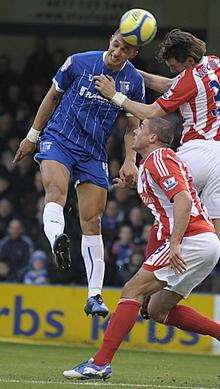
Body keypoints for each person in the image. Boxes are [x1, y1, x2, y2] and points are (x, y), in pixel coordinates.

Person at [63, 118, 220, 381]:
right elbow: (169, 198)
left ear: (152, 138)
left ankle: (100, 363)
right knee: (156, 310)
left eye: (142, 128)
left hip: (191, 240)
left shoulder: (159, 159)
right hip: (206, 243)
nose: (136, 131)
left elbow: (181, 199)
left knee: (132, 291)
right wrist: (135, 183)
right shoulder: (157, 162)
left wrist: (176, 242)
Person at [13, 30, 145, 317]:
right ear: (111, 39)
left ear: (133, 54)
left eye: (124, 50)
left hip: (93, 152)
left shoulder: (133, 80)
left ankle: (94, 296)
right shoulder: (78, 63)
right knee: (56, 191)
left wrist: (130, 160)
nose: (117, 52)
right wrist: (32, 136)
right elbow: (51, 97)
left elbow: (134, 124)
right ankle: (57, 239)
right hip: (59, 139)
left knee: (93, 221)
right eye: (116, 44)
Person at [94, 29, 220, 239]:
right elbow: (172, 85)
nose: (171, 69)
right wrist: (132, 71)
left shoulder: (190, 79)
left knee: (164, 202)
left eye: (174, 66)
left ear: (189, 60)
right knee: (213, 231)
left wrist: (113, 94)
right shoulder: (213, 62)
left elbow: (150, 112)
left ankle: (136, 183)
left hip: (199, 150)